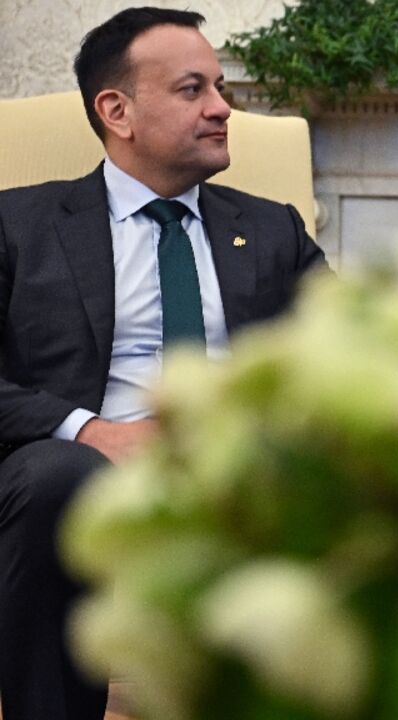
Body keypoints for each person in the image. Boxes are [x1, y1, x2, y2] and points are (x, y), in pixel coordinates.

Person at [0, 7, 327, 719]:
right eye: (192, 90)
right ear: (117, 110)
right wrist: (89, 432)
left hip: (240, 459)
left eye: (220, 89)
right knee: (55, 475)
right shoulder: (17, 226)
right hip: (78, 469)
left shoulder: (271, 228)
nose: (221, 109)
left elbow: (342, 349)